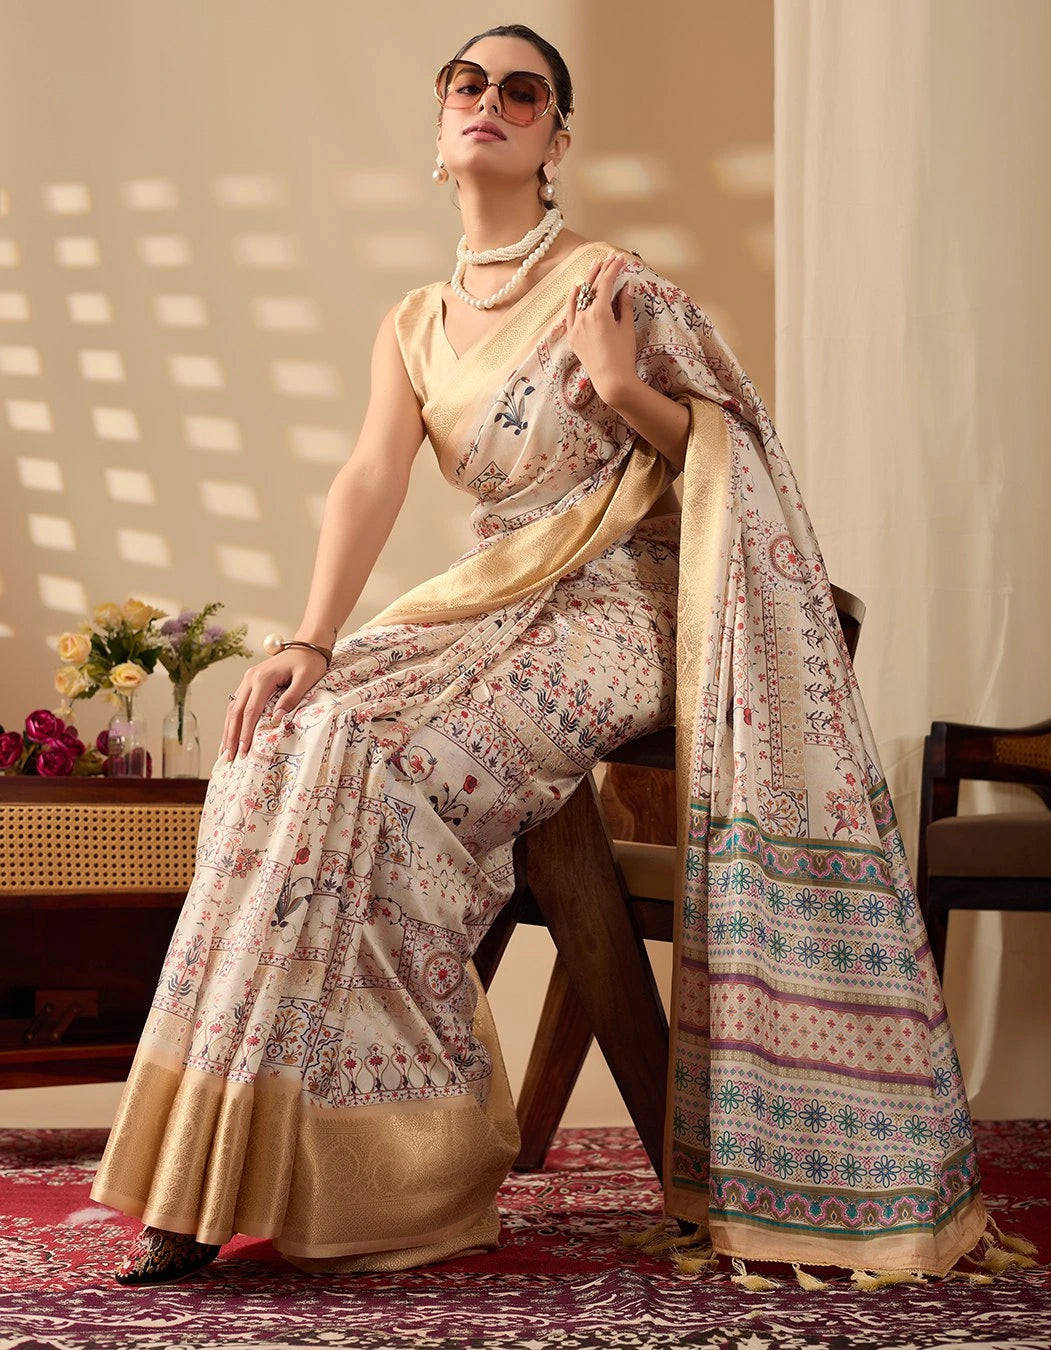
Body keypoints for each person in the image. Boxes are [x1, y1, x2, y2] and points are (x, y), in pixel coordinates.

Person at [92, 24, 1003, 1289]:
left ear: (555, 140)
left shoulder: (612, 286)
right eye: (469, 85)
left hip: (621, 614)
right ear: (440, 125)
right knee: (281, 742)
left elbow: (739, 461)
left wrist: (623, 386)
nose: (492, 102)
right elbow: (370, 476)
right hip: (492, 600)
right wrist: (307, 639)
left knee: (360, 755)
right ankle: (219, 1169)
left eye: (523, 92)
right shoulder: (413, 323)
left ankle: (395, 1163)